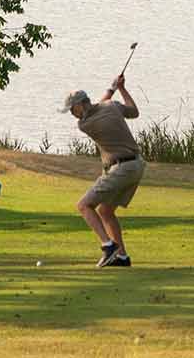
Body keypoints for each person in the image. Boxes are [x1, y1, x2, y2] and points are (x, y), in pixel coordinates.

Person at [64, 71, 143, 267]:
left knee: (84, 205)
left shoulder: (85, 124)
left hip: (121, 169)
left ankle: (108, 246)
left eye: (73, 109)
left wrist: (112, 88)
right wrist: (120, 89)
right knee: (105, 211)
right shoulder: (112, 107)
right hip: (137, 166)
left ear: (81, 105)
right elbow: (133, 111)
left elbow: (101, 103)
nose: (72, 114)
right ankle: (122, 257)